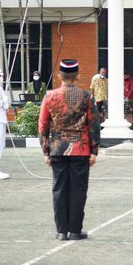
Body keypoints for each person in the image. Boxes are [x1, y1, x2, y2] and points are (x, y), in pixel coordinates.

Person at [38, 59, 100, 241]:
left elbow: (43, 126)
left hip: (57, 149)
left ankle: (61, 231)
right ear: (78, 76)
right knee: (78, 190)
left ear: (60, 76)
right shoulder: (87, 96)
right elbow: (94, 124)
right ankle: (75, 230)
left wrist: (46, 152)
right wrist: (94, 151)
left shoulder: (50, 96)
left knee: (59, 189)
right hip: (81, 150)